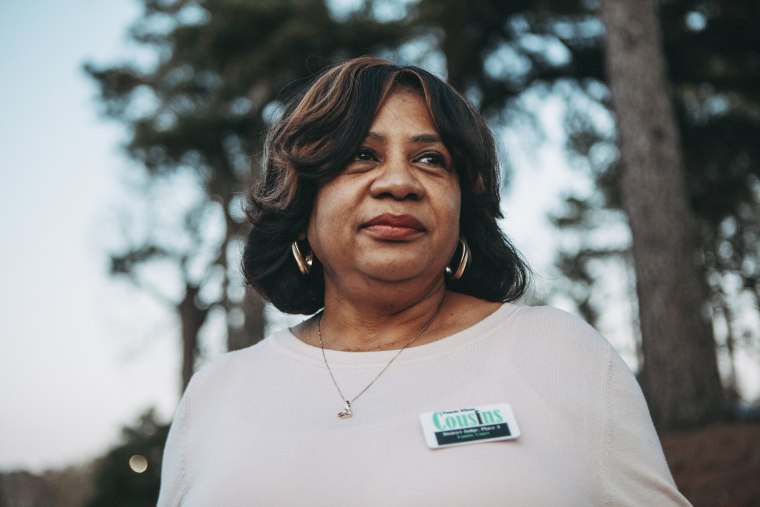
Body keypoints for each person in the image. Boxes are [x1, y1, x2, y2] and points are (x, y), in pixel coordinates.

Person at [157, 56, 691, 506]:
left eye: (431, 159)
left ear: (463, 205)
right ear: (302, 200)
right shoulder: (217, 392)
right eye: (362, 156)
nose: (398, 182)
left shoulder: (560, 352)